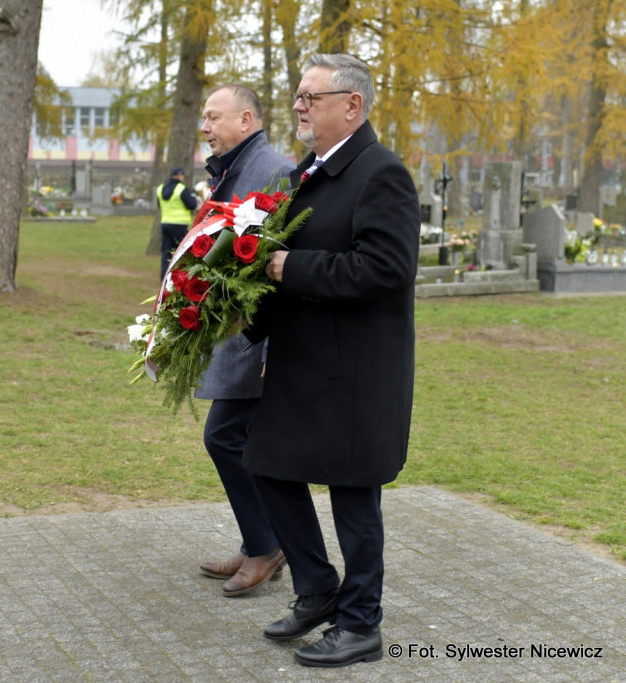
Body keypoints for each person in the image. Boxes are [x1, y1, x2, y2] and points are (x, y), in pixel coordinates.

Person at [242, 54, 420, 667]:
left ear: (353, 105)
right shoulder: (303, 176)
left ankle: (361, 623)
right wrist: (246, 314)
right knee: (266, 464)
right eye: (297, 96)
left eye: (310, 97)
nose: (298, 106)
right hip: (299, 364)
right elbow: (271, 261)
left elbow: (388, 269)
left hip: (355, 374)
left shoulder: (381, 173)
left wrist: (295, 268)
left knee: (353, 498)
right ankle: (318, 589)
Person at [194, 84, 295, 597]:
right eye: (204, 119)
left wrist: (271, 351)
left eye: (214, 117)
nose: (206, 127)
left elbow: (278, 266)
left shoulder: (273, 170)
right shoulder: (232, 169)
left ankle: (267, 546)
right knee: (239, 441)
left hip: (257, 342)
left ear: (246, 118)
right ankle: (260, 541)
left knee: (225, 438)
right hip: (234, 338)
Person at [156, 166, 199, 278]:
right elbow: (192, 205)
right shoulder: (181, 188)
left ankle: (164, 276)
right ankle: (180, 276)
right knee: (181, 252)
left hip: (165, 222)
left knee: (166, 251)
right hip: (180, 224)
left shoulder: (160, 188)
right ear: (179, 175)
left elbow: (159, 205)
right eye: (183, 175)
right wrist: (193, 196)